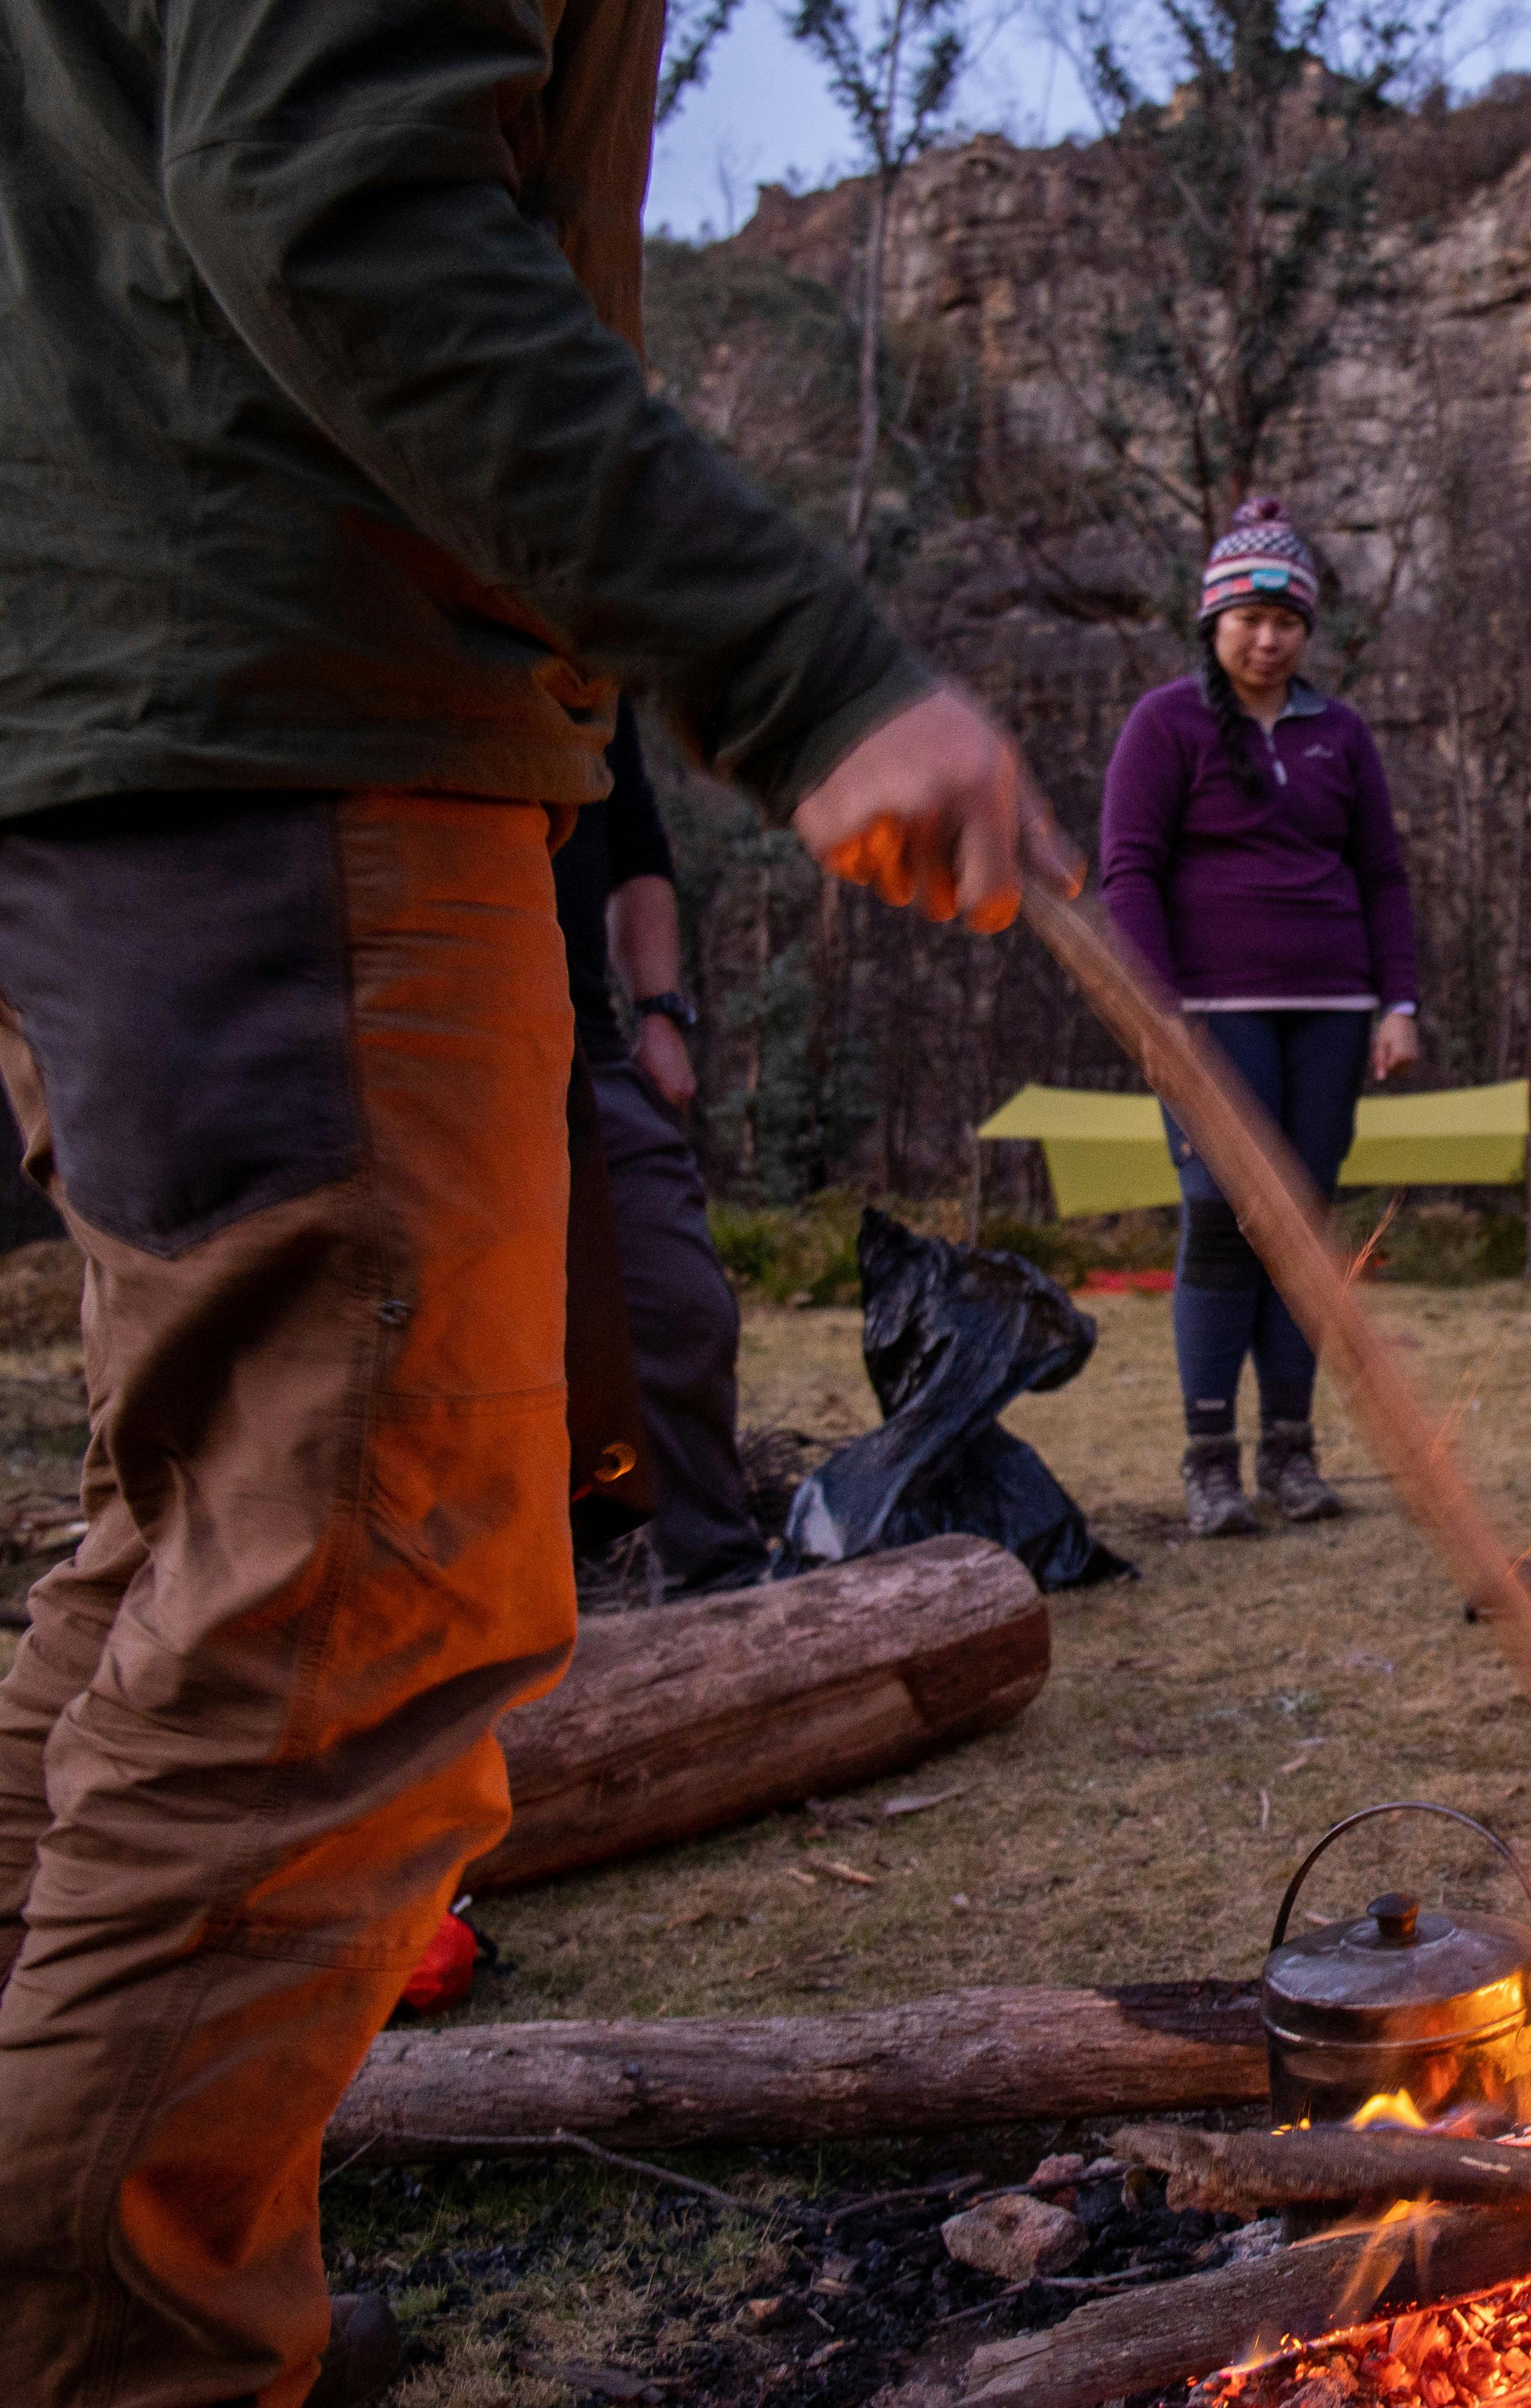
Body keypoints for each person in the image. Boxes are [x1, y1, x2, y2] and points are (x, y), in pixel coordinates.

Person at [0, 4, 1060, 2401]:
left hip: (163, 724)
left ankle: (137, 2254)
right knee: (339, 1625)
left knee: (188, 1574)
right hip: (286, 731)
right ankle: (113, 2347)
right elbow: (324, 198)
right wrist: (796, 661)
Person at [1099, 499, 1420, 1540]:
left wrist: (1397, 1003)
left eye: (1287, 621)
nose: (1268, 638)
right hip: (1210, 1018)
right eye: (1249, 619)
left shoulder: (1341, 735)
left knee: (1302, 1236)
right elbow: (1129, 872)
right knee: (1222, 1223)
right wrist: (1155, 1014)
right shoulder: (1165, 725)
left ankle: (1292, 1451)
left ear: (1307, 631)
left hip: (1331, 1011)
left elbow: (1381, 875)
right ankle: (1209, 1464)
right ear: (1214, 622)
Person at [557, 705, 773, 1596]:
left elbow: (636, 849)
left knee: (680, 1302)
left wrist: (660, 1011)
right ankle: (535, 1591)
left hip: (589, 1043)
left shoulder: (589, 676)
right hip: (429, 1042)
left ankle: (714, 1575)